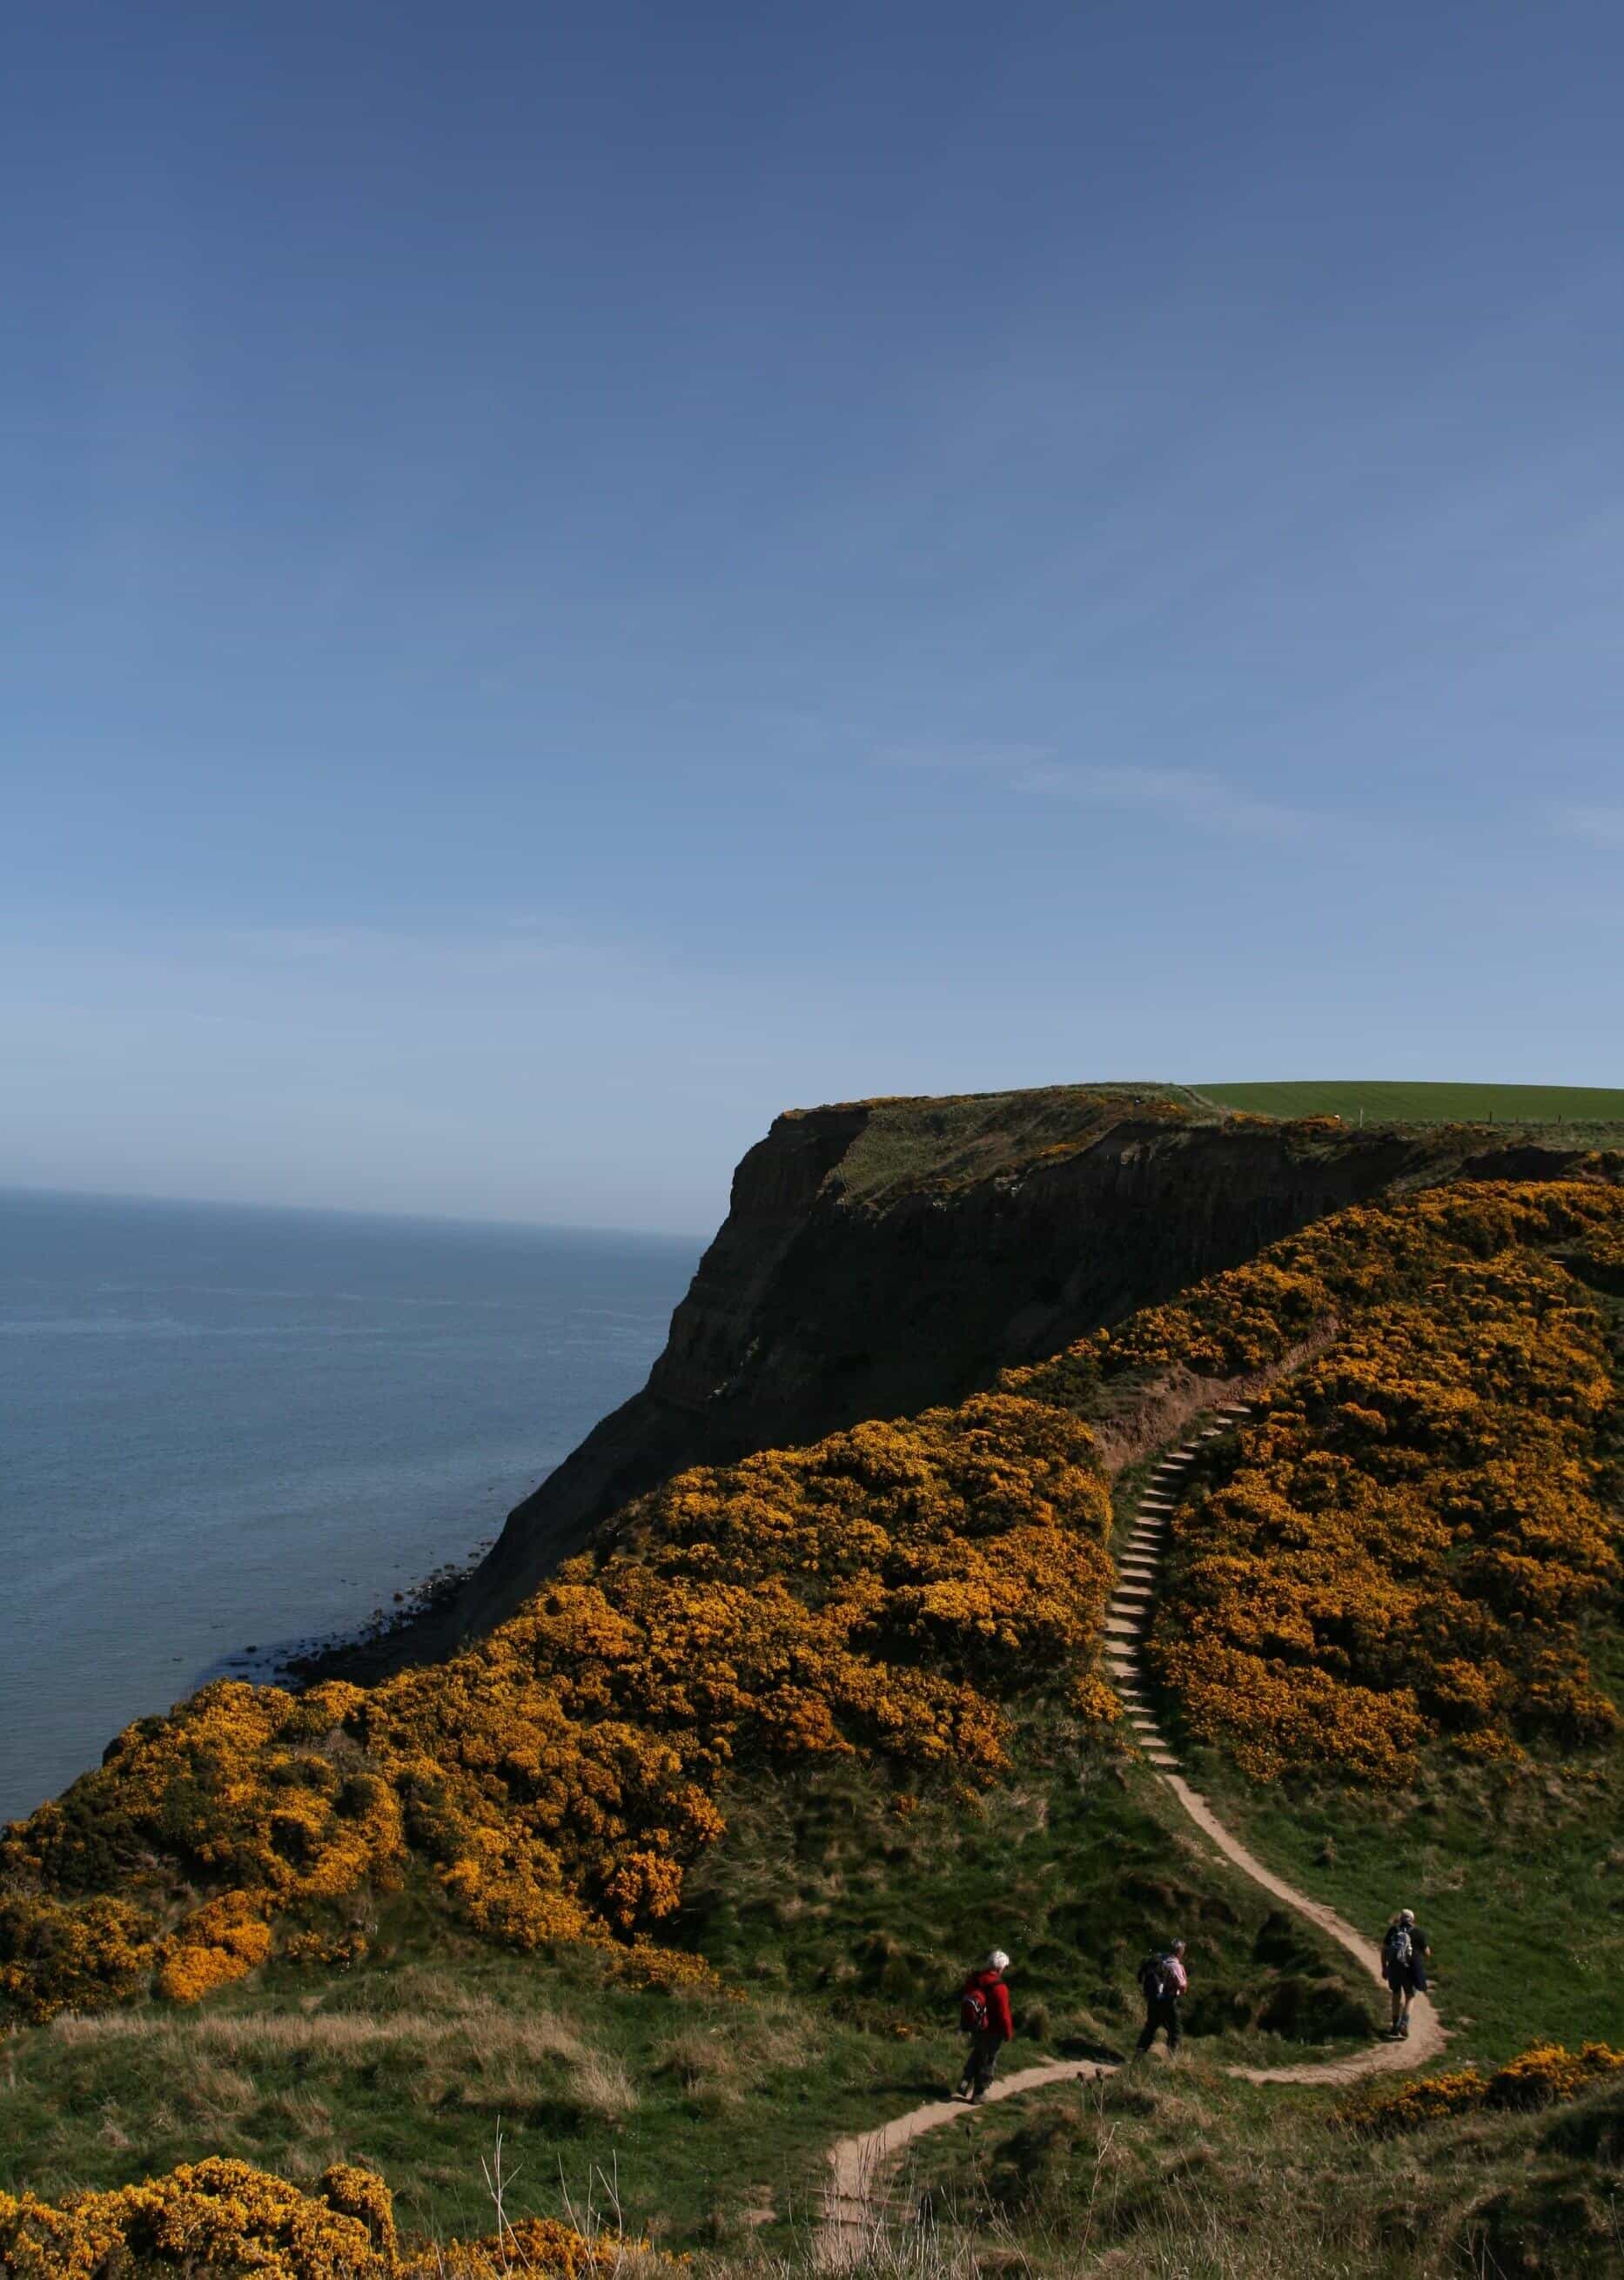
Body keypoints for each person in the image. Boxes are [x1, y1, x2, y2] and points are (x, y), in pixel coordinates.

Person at [955, 1948, 1015, 2102]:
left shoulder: (975, 1979)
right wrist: (1008, 2032)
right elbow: (1004, 2014)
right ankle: (979, 2094)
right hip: (993, 2029)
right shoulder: (1000, 1987)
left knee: (978, 2052)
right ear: (1000, 1968)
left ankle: (965, 2081)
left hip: (976, 2025)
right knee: (988, 2060)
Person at [1381, 1908, 1430, 2039]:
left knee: (1396, 1995)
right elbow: (1427, 1953)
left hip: (1394, 1968)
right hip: (1410, 1969)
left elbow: (1384, 1950)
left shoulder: (1393, 1930)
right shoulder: (1418, 1933)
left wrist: (1384, 1968)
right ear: (1413, 1920)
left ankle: (1394, 2026)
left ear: (1400, 1918)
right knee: (1410, 1996)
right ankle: (1404, 2023)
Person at [1135, 1939, 1188, 2054]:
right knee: (1175, 2031)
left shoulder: (1159, 1958)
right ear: (1180, 1951)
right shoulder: (1175, 1965)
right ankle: (1172, 2060)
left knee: (1150, 2028)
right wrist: (1184, 1973)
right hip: (1168, 2001)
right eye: (1183, 1950)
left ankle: (1138, 2056)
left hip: (1154, 2000)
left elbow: (1141, 1974)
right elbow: (1183, 1988)